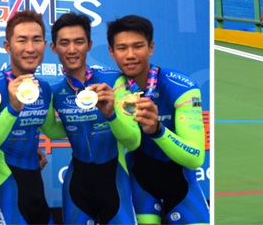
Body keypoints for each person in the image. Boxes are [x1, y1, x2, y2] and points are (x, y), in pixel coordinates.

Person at [37, 13, 142, 224]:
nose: (72, 49)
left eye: (79, 42)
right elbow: (53, 131)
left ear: (89, 44)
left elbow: (133, 140)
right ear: (54, 48)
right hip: (77, 186)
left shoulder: (115, 80)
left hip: (115, 182)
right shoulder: (54, 90)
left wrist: (110, 114)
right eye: (64, 43)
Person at [107, 16, 209, 224]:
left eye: (138, 46)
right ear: (111, 52)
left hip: (181, 180)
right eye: (122, 48)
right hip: (140, 181)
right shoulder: (115, 88)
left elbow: (196, 158)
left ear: (151, 47)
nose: (130, 55)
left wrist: (158, 130)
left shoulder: (181, 86)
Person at [0, 10, 66, 224]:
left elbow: (52, 131)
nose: (30, 48)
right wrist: (13, 108)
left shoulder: (43, 88)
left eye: (36, 40)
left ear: (45, 44)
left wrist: (93, 117)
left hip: (36, 189)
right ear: (7, 46)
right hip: (3, 190)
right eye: (22, 40)